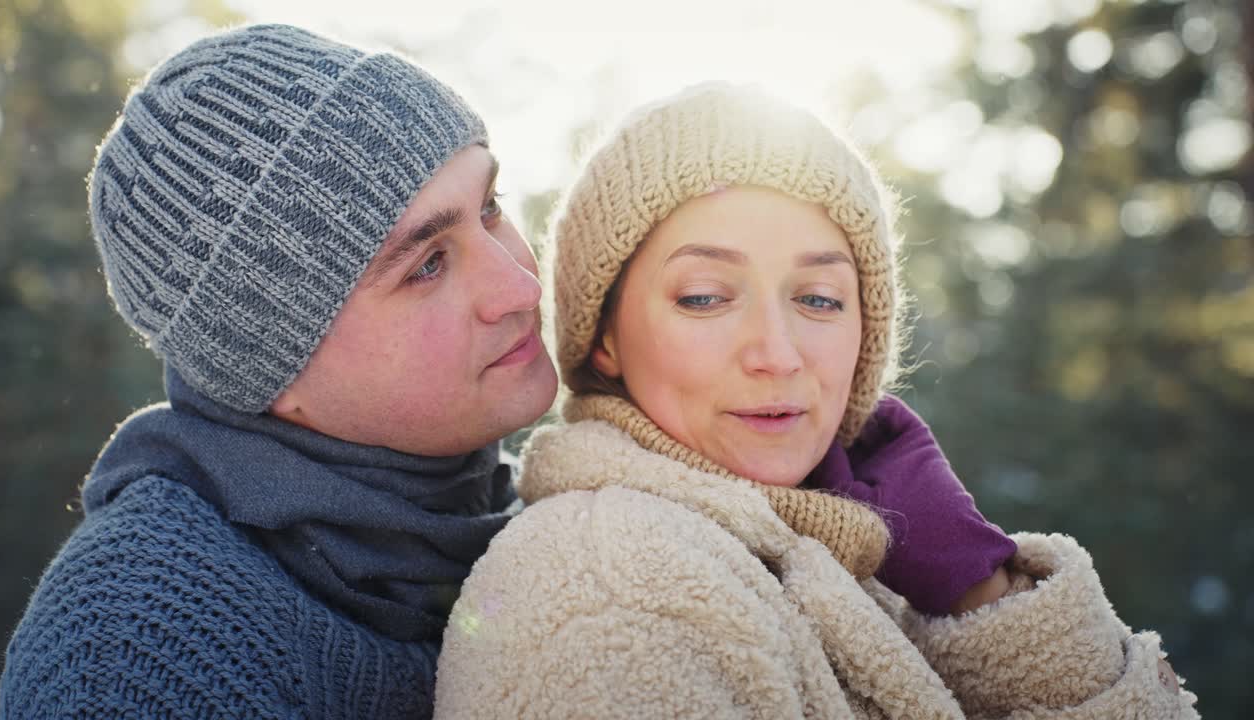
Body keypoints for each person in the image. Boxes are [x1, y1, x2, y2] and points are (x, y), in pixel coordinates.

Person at [434, 84, 1197, 718]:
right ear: (604, 338)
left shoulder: (831, 562)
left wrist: (981, 590)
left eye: (821, 299)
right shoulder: (615, 594)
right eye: (704, 297)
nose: (777, 352)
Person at [0, 24, 557, 719]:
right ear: (268, 365)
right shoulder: (137, 652)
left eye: (491, 209)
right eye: (427, 265)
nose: (522, 287)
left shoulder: (545, 519)